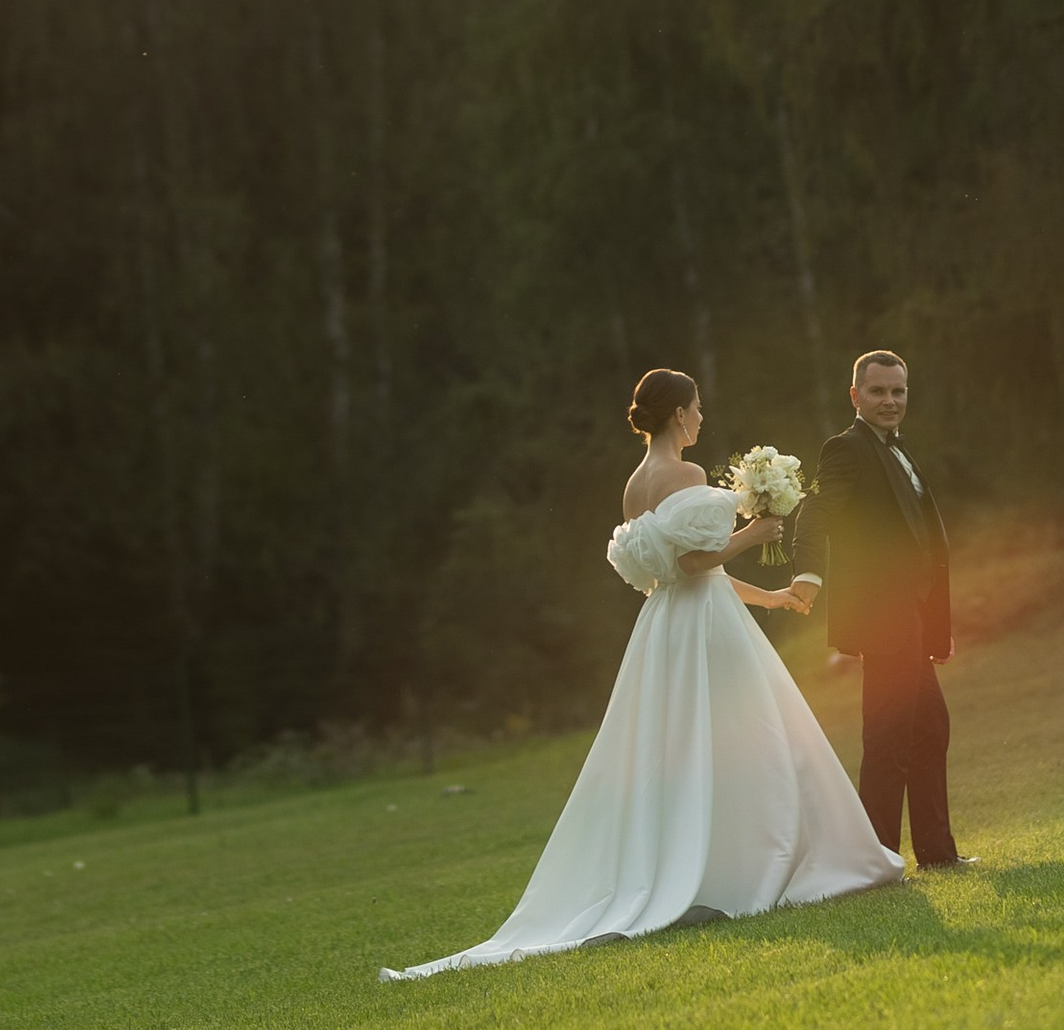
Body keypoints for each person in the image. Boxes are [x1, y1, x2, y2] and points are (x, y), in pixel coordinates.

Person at [382, 369, 902, 979]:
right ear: (680, 415)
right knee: (750, 734)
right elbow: (695, 560)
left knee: (686, 745)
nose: (702, 418)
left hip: (665, 626)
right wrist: (755, 533)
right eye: (698, 409)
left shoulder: (634, 485)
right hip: (704, 627)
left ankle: (708, 861)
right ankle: (759, 861)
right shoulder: (687, 474)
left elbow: (683, 576)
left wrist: (772, 597)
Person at [786, 347, 973, 871]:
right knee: (889, 733)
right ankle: (877, 861)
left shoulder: (899, 448)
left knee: (930, 727)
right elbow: (816, 511)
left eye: (898, 391)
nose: (890, 401)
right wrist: (807, 572)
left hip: (913, 615)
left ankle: (937, 854)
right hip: (885, 616)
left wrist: (936, 623)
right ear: (855, 396)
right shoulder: (846, 449)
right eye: (878, 391)